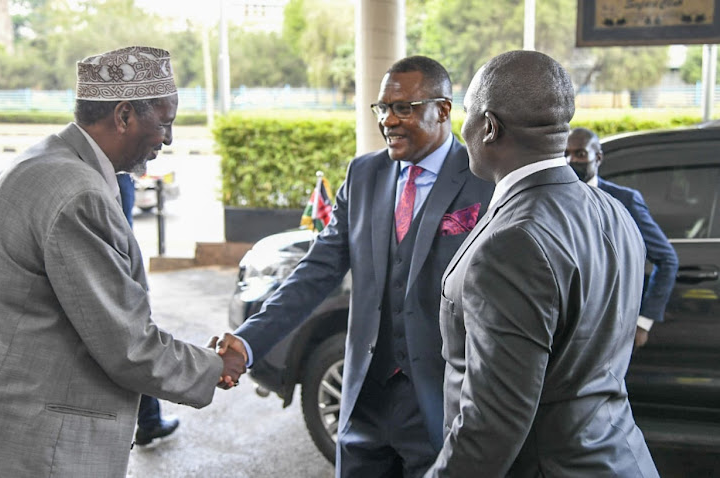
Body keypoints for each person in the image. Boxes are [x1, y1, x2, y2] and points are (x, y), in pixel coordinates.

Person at [0, 46, 245, 477]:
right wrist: (214, 366)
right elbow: (127, 344)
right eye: (165, 122)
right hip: (35, 446)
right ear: (123, 116)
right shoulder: (79, 194)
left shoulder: (47, 159)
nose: (168, 139)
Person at [219, 56, 494, 477]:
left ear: (442, 110)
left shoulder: (483, 180)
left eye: (403, 108)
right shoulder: (364, 174)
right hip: (366, 399)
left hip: (445, 404)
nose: (388, 120)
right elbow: (316, 271)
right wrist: (247, 341)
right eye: (382, 108)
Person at [425, 50, 659, 477]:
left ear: (489, 127)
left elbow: (492, 425)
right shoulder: (613, 211)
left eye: (466, 114)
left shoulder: (511, 244)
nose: (462, 129)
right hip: (622, 458)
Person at [566, 127, 678, 348]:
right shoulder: (550, 199)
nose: (570, 161)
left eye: (580, 154)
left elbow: (667, 259)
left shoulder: (624, 201)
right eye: (564, 154)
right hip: (563, 328)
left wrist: (643, 322)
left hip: (608, 330)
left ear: (597, 158)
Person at [117, 172, 181, 445]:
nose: (166, 139)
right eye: (163, 125)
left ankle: (149, 421)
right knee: (136, 344)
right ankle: (150, 421)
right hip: (122, 285)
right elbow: (122, 241)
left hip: (125, 281)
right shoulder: (115, 177)